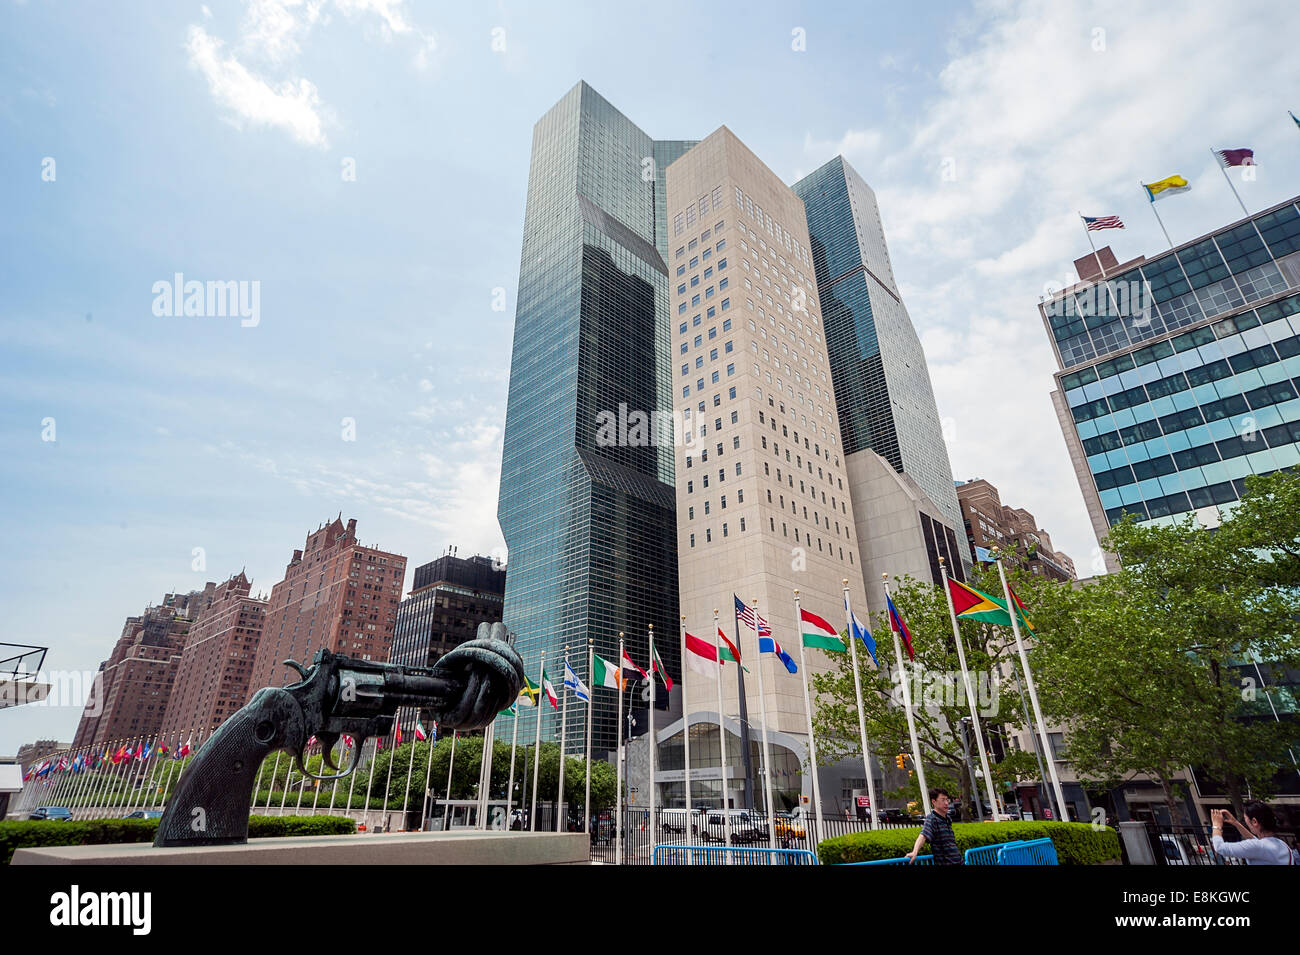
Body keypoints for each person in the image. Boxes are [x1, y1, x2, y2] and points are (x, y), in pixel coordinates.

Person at [1210, 803, 1297, 865]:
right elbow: (1255, 842)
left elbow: (1219, 848)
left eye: (1245, 819)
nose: (1246, 822)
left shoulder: (1259, 846)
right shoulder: (1281, 844)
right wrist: (1235, 823)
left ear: (1254, 821)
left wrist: (1216, 825)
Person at [906, 788, 963, 865]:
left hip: (959, 862)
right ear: (934, 802)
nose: (946, 803)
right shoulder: (932, 819)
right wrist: (915, 851)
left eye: (947, 800)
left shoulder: (948, 818)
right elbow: (923, 835)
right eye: (943, 800)